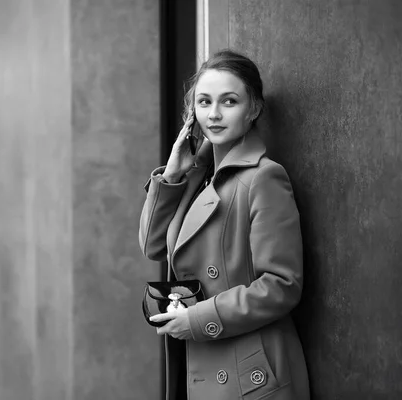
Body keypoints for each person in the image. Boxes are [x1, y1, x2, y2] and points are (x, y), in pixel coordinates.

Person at [139, 50, 310, 400]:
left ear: (254, 109)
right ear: (192, 114)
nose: (214, 114)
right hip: (203, 362)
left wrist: (198, 319)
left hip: (247, 372)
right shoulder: (195, 177)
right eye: (204, 102)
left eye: (229, 101)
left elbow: (281, 284)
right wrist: (172, 175)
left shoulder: (263, 177)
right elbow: (152, 245)